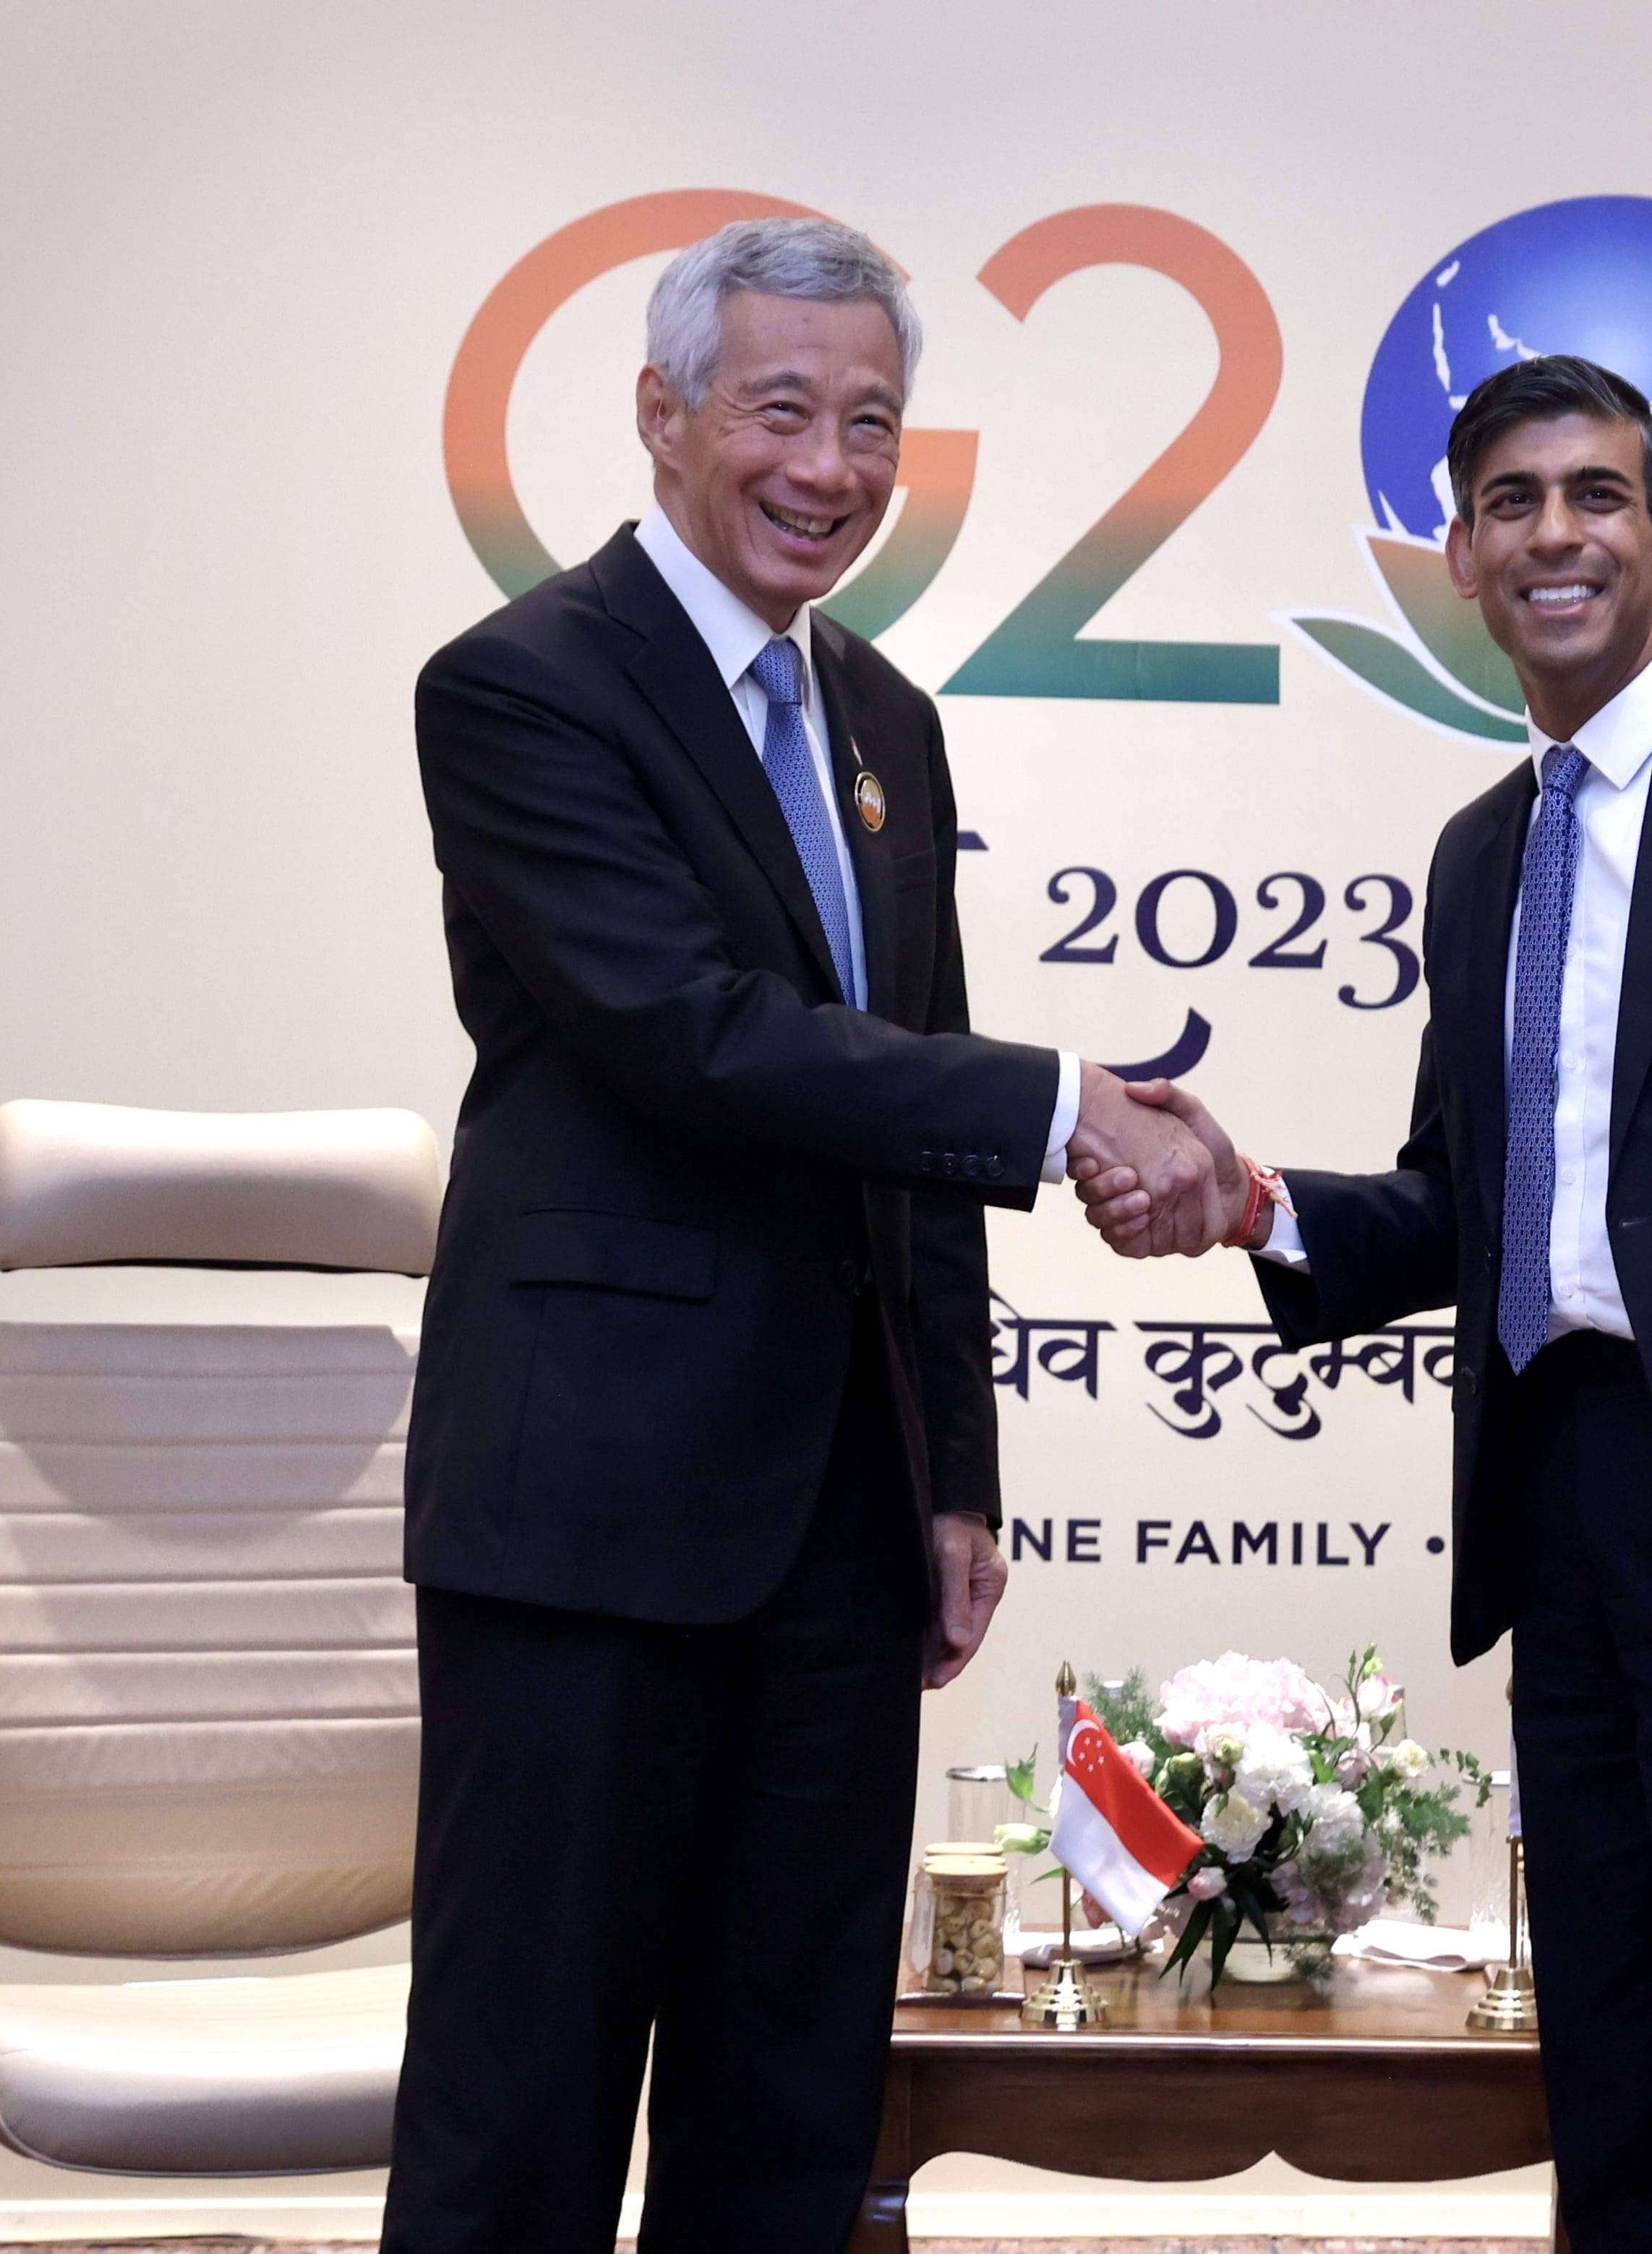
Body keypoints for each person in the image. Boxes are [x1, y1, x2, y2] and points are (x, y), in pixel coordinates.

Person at [1077, 355, 1652, 2254]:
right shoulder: (1483, 851)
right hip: (1562, 1502)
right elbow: (1461, 1201)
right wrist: (1253, 1205)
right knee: (1604, 2069)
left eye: (1596, 496)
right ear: (1459, 557)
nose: (1555, 534)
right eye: (1510, 501)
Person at [387, 218, 1210, 2254]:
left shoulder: (886, 725)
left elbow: (895, 1123)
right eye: (780, 411)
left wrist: (952, 1479)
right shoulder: (521, 689)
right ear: (661, 416)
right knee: (525, 2102)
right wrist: (1062, 1105)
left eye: (869, 424)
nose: (826, 469)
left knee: (789, 2097)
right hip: (587, 1505)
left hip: (837, 1531)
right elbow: (700, 1039)